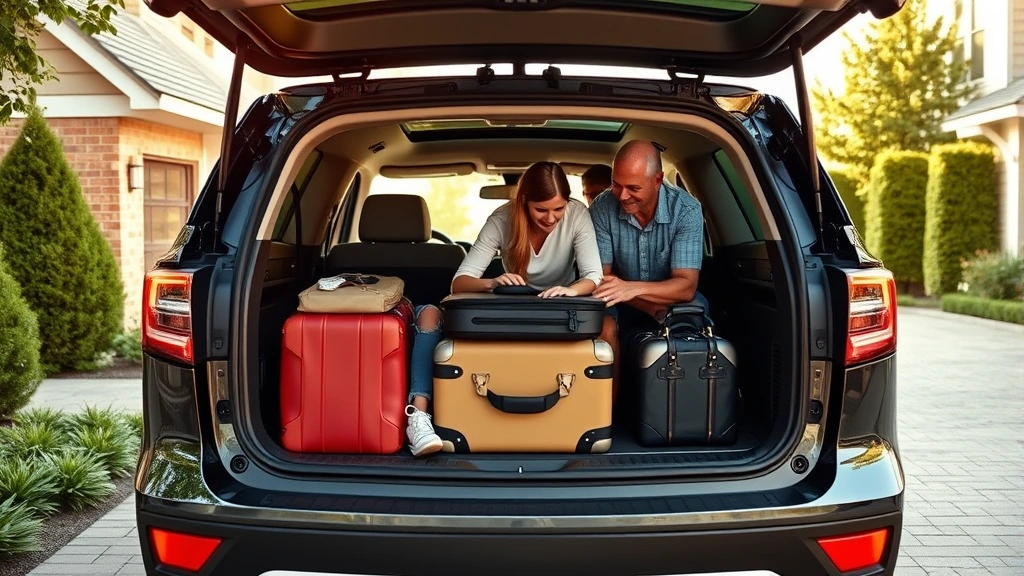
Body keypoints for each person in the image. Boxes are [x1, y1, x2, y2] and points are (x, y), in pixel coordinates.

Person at [404, 161, 604, 456]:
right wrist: (492, 282)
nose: (551, 218)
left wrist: (570, 291)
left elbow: (593, 276)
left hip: (556, 315)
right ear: (524, 202)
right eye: (541, 210)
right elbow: (459, 282)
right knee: (429, 313)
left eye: (558, 209)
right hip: (510, 311)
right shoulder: (501, 219)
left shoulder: (577, 215)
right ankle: (418, 419)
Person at [589, 140, 707, 401]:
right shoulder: (601, 206)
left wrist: (631, 289)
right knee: (601, 323)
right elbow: (600, 281)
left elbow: (686, 287)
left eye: (633, 188)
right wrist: (638, 297)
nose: (621, 195)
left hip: (659, 299)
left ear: (657, 180)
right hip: (618, 300)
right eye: (616, 184)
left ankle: (675, 410)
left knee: (692, 316)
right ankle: (607, 414)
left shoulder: (686, 210)